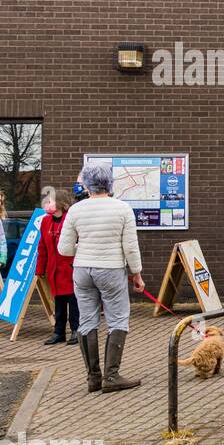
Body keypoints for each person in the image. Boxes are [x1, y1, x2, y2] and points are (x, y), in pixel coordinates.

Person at [58, 163, 145, 393]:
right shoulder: (123, 209)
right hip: (111, 269)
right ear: (110, 183)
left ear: (87, 185)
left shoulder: (75, 211)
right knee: (117, 319)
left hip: (83, 270)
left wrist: (85, 250)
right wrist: (136, 274)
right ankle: (112, 376)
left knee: (87, 321)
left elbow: (64, 249)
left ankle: (93, 378)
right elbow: (130, 247)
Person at [36, 190, 80, 345]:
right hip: (54, 270)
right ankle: (58, 332)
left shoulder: (71, 220)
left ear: (61, 203)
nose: (47, 204)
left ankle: (76, 331)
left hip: (70, 268)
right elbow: (42, 247)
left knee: (74, 302)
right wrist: (40, 269)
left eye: (51, 201)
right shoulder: (46, 221)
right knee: (59, 303)